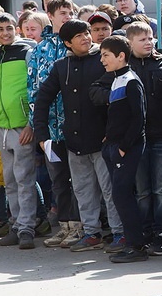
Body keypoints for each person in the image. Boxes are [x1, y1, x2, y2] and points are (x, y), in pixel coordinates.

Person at [34, 19, 122, 254]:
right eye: (79, 36)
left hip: (103, 140)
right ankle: (91, 233)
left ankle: (119, 233)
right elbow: (42, 99)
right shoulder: (62, 66)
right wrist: (41, 136)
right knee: (83, 190)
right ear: (67, 43)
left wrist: (113, 133)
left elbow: (118, 99)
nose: (86, 37)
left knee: (110, 190)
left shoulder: (103, 60)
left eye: (87, 33)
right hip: (74, 140)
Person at [0, 13, 40, 249]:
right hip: (1, 128)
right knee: (10, 180)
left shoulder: (26, 54)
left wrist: (31, 124)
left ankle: (26, 228)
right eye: (0, 29)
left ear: (16, 30)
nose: (5, 33)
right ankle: (16, 224)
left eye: (9, 28)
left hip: (22, 127)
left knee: (24, 178)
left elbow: (35, 88)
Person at [125, 21, 162, 256]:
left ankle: (161, 234)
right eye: (143, 39)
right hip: (136, 139)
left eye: (151, 38)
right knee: (142, 190)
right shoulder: (123, 67)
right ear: (129, 43)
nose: (149, 43)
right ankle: (145, 232)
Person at [27, 0, 80, 248]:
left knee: (80, 179)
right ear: (50, 15)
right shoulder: (39, 50)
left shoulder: (79, 45)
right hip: (51, 128)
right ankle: (65, 225)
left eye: (70, 12)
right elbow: (33, 90)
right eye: (62, 12)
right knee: (59, 179)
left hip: (78, 126)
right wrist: (38, 129)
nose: (67, 16)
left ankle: (81, 227)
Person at [92, 34, 148, 263]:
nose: (102, 60)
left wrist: (124, 146)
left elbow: (139, 118)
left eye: (106, 55)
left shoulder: (131, 80)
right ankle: (132, 242)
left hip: (128, 147)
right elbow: (118, 116)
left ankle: (137, 246)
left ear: (121, 56)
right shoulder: (116, 79)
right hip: (114, 146)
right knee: (120, 195)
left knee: (122, 194)